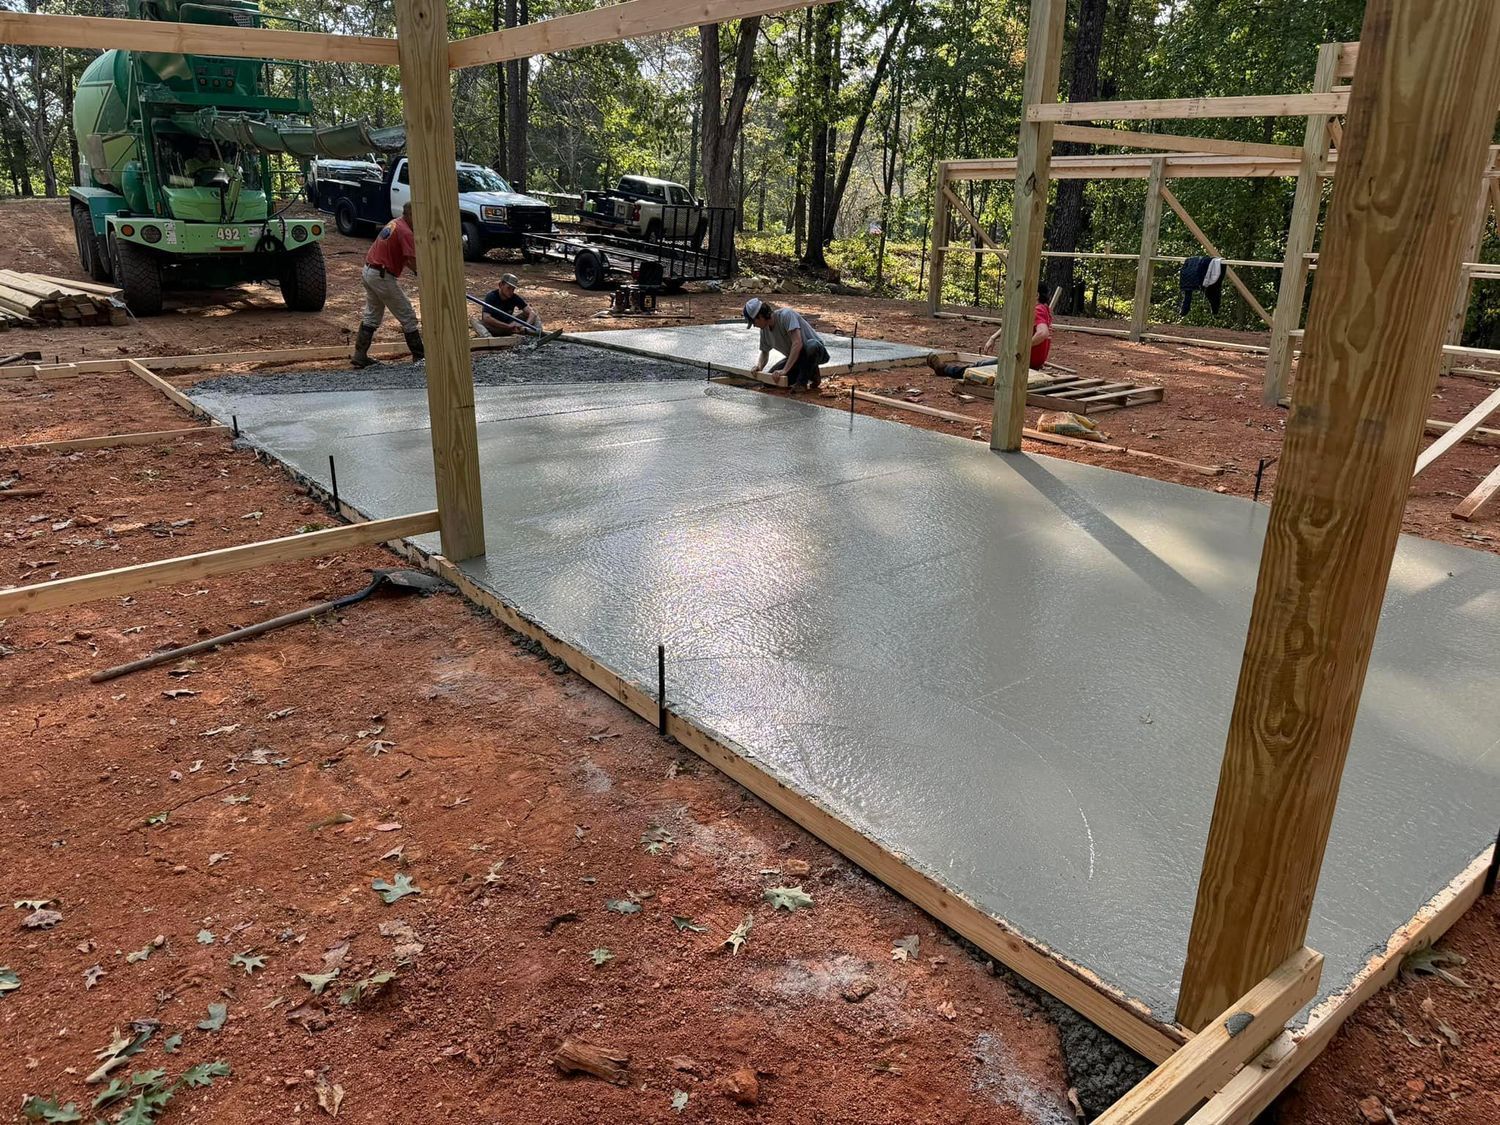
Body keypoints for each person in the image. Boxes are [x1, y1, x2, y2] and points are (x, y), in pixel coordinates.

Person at [928, 281, 1054, 379]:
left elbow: (1043, 333)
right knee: (985, 365)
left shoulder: (1037, 310)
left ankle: (944, 370)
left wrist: (1022, 348)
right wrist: (993, 337)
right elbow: (1014, 324)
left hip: (1023, 362)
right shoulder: (1044, 309)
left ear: (1036, 295)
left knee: (978, 368)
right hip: (1031, 362)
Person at [353, 202, 422, 368]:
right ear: (411, 215)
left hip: (370, 270)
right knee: (407, 315)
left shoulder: (395, 223)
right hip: (381, 275)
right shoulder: (406, 232)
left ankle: (360, 356)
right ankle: (420, 357)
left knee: (372, 315)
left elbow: (404, 257)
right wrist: (422, 273)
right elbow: (411, 260)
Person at [744, 297, 830, 391]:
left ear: (760, 316)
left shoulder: (786, 315)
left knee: (811, 346)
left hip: (816, 352)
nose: (754, 325)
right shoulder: (764, 330)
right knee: (770, 382)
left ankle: (802, 383)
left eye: (753, 322)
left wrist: (784, 370)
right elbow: (764, 352)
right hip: (797, 359)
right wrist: (759, 366)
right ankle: (813, 373)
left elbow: (797, 343)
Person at [479, 273, 543, 336]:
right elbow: (486, 318)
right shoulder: (491, 296)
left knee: (534, 314)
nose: (511, 291)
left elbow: (532, 313)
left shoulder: (514, 297)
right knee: (476, 322)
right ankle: (488, 337)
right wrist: (507, 326)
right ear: (501, 285)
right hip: (495, 327)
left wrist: (525, 326)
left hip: (510, 327)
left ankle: (537, 335)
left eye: (513, 289)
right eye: (508, 288)